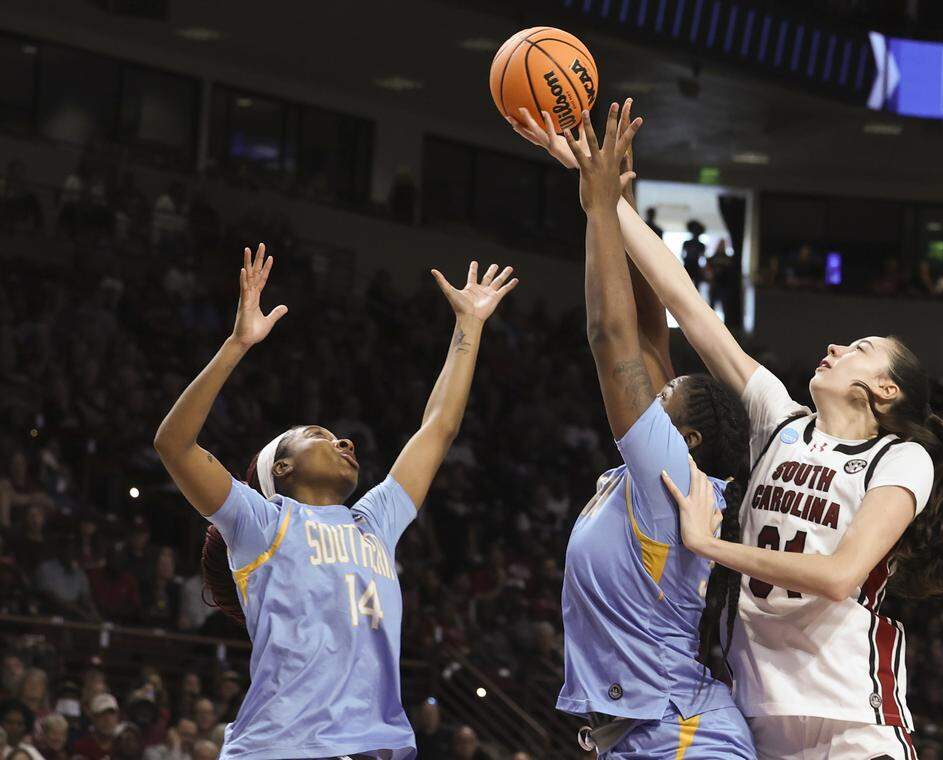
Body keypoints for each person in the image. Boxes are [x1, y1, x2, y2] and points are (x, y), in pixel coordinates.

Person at [505, 99, 943, 760]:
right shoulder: (778, 421)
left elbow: (839, 575)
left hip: (848, 714)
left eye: (858, 347)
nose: (835, 346)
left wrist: (709, 546)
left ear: (884, 389)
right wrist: (601, 192)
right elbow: (684, 299)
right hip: (757, 710)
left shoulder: (901, 456)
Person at [153, 243, 517, 759]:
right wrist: (237, 344)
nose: (344, 441)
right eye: (318, 434)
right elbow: (174, 445)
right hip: (283, 749)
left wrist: (469, 327)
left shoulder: (374, 521)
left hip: (374, 747)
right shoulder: (261, 521)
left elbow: (438, 428)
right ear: (282, 467)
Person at [553, 102, 755, 758]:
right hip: (645, 733)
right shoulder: (670, 474)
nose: (652, 383)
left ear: (688, 436)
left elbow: (610, 337)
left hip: (681, 735)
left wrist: (597, 210)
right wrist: (622, 199)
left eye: (666, 391)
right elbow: (644, 333)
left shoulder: (672, 473)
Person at [72, 693, 120, 760]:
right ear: (93, 718)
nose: (107, 719)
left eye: (111, 713)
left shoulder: (124, 746)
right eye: (102, 714)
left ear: (117, 717)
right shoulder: (82, 748)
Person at [680, 220, 706, 287]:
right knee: (685, 285)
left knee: (694, 286)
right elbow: (682, 254)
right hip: (689, 265)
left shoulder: (701, 245)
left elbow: (702, 257)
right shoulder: (687, 243)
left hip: (694, 266)